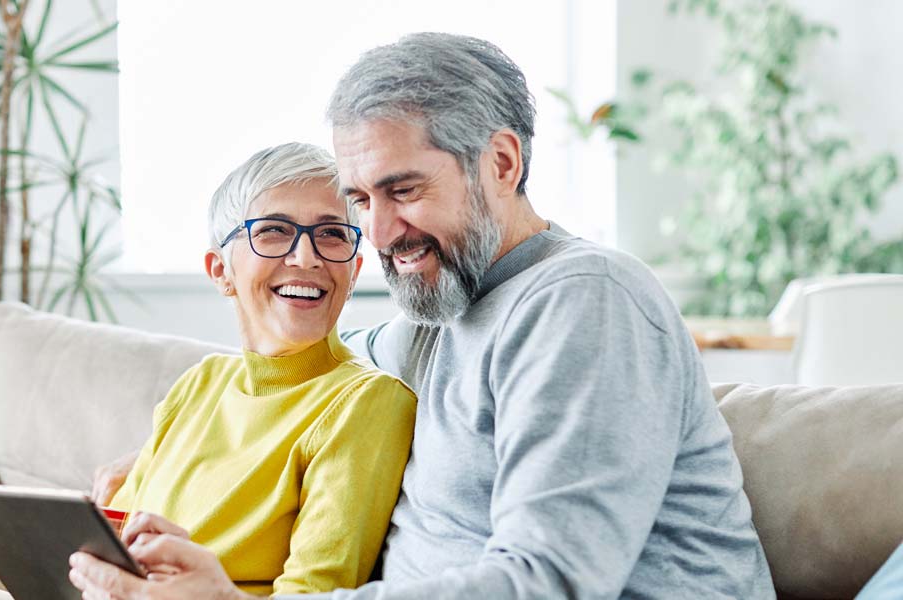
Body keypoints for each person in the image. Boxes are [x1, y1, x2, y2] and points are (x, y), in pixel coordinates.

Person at [69, 33, 777, 600]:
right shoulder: (435, 316)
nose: (377, 234)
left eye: (402, 190)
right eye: (361, 200)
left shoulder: (584, 302)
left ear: (500, 162)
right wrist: (172, 453)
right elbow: (298, 372)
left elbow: (552, 582)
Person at [0, 143, 416, 599]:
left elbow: (321, 592)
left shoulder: (367, 402)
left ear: (355, 268)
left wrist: (222, 595)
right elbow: (122, 541)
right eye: (273, 232)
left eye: (332, 235)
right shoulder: (201, 385)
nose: (306, 258)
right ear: (220, 271)